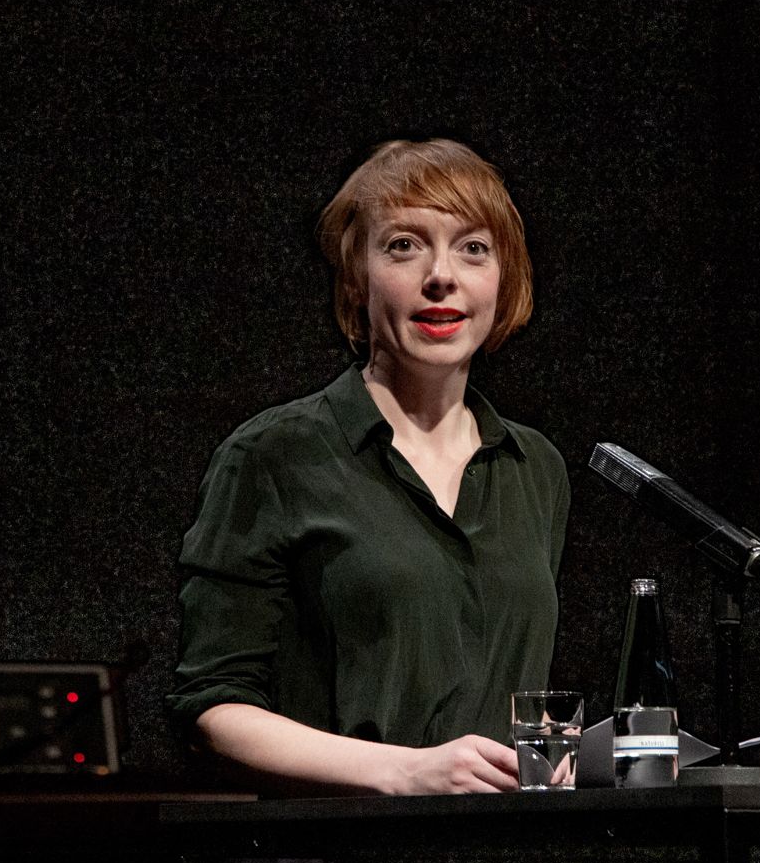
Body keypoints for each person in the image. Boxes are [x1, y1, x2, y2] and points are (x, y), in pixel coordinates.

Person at [168, 138, 570, 796]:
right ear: (356, 279)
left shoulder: (535, 467)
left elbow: (496, 688)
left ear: (506, 279)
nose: (442, 275)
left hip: (502, 849)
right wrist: (405, 771)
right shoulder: (274, 454)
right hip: (341, 847)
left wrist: (564, 757)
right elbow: (211, 708)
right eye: (404, 246)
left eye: (473, 248)